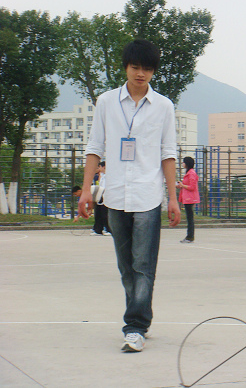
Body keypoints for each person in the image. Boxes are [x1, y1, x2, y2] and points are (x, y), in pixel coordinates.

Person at [78, 38, 180, 353]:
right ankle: (140, 315)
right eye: (136, 67)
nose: (140, 74)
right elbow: (95, 147)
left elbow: (168, 154)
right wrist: (85, 190)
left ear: (153, 72)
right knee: (126, 266)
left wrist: (173, 198)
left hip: (149, 196)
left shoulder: (164, 106)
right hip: (116, 195)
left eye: (147, 69)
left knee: (143, 264)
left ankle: (135, 325)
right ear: (126, 66)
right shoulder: (107, 102)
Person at [178, 156, 200, 243]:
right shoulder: (188, 173)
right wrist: (180, 185)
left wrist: (182, 185)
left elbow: (192, 187)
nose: (183, 163)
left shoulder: (191, 173)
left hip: (190, 198)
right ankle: (189, 236)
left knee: (190, 218)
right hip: (187, 198)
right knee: (189, 218)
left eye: (183, 162)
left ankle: (190, 236)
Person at [91, 161, 112, 236]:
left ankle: (108, 229)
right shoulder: (102, 176)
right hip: (100, 196)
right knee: (98, 214)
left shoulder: (109, 176)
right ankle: (98, 230)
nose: (99, 169)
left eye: (99, 167)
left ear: (104, 167)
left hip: (106, 196)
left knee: (105, 214)